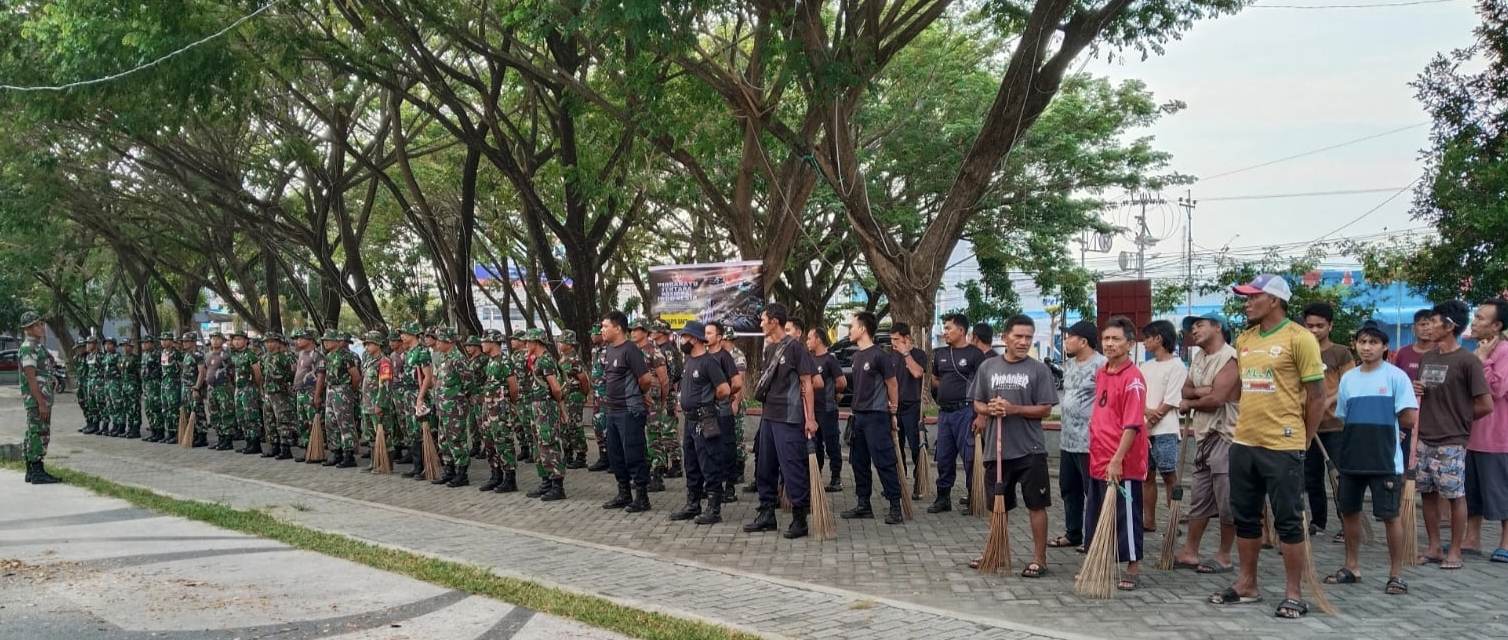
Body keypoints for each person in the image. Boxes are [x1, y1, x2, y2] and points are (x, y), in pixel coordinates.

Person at [1210, 274, 1325, 619]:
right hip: (1244, 441)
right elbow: (1243, 389)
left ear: (1274, 300)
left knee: (1288, 520)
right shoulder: (1245, 340)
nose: (1246, 303)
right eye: (1245, 298)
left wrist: (1303, 440)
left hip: (1282, 444)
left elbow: (1317, 396)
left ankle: (1294, 593)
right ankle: (1247, 584)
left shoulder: (1299, 338)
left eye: (1252, 297)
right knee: (1244, 516)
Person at [1322, 320, 1417, 594]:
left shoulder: (1396, 377)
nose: (1367, 347)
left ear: (1385, 347)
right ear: (1355, 345)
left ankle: (1396, 574)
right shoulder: (1348, 379)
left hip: (1385, 460)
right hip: (1351, 458)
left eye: (1373, 342)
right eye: (1362, 342)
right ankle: (1351, 566)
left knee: (1390, 516)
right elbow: (1342, 416)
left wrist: (1392, 430)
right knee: (1349, 512)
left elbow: (1409, 417)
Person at [970, 314, 1058, 577]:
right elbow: (977, 402)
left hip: (1030, 449)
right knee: (998, 507)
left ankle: (1039, 559)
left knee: (1036, 504)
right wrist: (990, 408)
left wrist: (1014, 409)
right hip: (996, 452)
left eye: (1028, 337)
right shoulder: (988, 368)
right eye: (1018, 336)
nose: (1023, 342)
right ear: (1004, 337)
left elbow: (1045, 410)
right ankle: (995, 551)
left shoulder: (1038, 370)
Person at [1414, 300, 1492, 569]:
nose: (1429, 327)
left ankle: (1455, 550)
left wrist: (1460, 419)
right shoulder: (1428, 357)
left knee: (1455, 495)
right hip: (1424, 436)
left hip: (1452, 440)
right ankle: (1434, 546)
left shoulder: (1467, 361)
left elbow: (1485, 404)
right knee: (1427, 493)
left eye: (1434, 322)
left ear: (1450, 326)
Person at [1086, 316, 1150, 590]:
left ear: (1130, 344)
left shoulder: (1133, 379)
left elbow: (1133, 424)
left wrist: (1117, 459)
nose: (1109, 344)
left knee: (1126, 515)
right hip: (1098, 456)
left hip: (1122, 461)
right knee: (1100, 513)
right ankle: (1100, 562)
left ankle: (1133, 567)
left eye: (1116, 339)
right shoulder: (1102, 371)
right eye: (1106, 339)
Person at [745, 303, 819, 539]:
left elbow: (807, 383)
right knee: (764, 467)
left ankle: (799, 518)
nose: (761, 323)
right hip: (768, 415)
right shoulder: (769, 349)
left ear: (774, 321)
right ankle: (767, 513)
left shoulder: (796, 348)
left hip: (789, 417)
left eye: (763, 319)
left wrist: (811, 418)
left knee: (792, 467)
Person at [1174, 312, 1240, 574]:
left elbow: (1218, 398)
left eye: (1200, 325)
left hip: (1226, 436)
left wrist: (1192, 401)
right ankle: (1190, 551)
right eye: (1193, 327)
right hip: (1203, 436)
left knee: (1227, 500)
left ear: (1218, 327)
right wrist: (1204, 391)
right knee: (1199, 498)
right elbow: (1186, 389)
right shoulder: (1199, 358)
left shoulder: (1231, 357)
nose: (1194, 330)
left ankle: (1224, 555)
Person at [841, 311, 906, 526]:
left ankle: (895, 505)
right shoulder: (857, 356)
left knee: (884, 462)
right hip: (858, 416)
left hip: (877, 416)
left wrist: (893, 411)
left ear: (863, 329)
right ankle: (863, 504)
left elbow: (892, 383)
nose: (850, 330)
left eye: (852, 326)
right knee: (858, 462)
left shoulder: (880, 355)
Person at [1301, 302, 1356, 540]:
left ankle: (1347, 523)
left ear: (1330, 326)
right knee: (1311, 477)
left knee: (1339, 476)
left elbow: (1349, 385)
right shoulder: (1301, 350)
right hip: (1307, 426)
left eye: (1320, 326)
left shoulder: (1341, 353)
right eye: (1310, 325)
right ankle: (1318, 521)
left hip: (1335, 425)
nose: (1314, 330)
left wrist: (1325, 401)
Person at [669, 321, 732, 524]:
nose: (683, 340)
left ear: (695, 339)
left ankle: (714, 508)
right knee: (691, 462)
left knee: (709, 462)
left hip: (705, 419)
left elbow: (724, 389)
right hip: (689, 420)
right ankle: (692, 503)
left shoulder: (708, 362)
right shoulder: (688, 361)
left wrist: (707, 400)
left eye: (686, 337)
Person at [1052, 320, 1104, 547]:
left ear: (1083, 341)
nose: (1065, 341)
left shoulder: (1101, 365)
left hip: (1089, 441)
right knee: (1068, 488)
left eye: (1069, 337)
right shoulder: (1070, 364)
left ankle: (1097, 537)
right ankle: (1073, 533)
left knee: (1092, 492)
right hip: (1068, 439)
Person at [1464, 299, 1508, 561]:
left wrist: (1482, 361)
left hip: (1497, 436)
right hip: (1472, 434)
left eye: (1481, 318)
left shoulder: (1504, 351)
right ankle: (1472, 538)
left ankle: (1505, 541)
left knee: (1501, 490)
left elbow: (1496, 390)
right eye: (1476, 316)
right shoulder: (1477, 350)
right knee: (1472, 492)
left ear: (1497, 325)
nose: (1475, 321)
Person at [929, 313, 986, 514]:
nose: (945, 332)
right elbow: (935, 379)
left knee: (970, 457)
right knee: (943, 456)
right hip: (945, 414)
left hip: (966, 412)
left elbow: (984, 386)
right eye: (944, 329)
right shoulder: (940, 354)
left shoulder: (975, 355)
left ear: (961, 331)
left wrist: (981, 415)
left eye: (948, 328)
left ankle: (974, 496)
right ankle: (943, 497)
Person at [600, 311, 655, 512]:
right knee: (615, 455)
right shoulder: (609, 350)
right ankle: (624, 493)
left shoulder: (630, 349)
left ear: (618, 328)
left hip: (629, 411)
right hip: (612, 411)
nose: (602, 330)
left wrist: (636, 395)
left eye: (605, 326)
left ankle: (642, 497)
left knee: (634, 453)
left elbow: (646, 379)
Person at [1140, 319, 1188, 533]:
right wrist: (1145, 416)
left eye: (1147, 338)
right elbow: (1138, 395)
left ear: (1158, 339)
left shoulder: (1177, 366)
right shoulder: (1145, 366)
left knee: (1169, 475)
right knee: (1147, 476)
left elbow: (1170, 401)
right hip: (1145, 428)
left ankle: (1174, 520)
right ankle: (1148, 520)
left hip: (1165, 430)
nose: (1144, 343)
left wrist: (1150, 418)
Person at [522, 329, 569, 501]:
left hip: (546, 406)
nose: (526, 345)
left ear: (536, 342)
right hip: (538, 406)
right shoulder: (538, 360)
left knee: (549, 442)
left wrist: (559, 406)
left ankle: (557, 485)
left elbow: (555, 388)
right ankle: (546, 482)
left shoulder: (546, 360)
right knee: (539, 444)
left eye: (528, 342)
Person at [18, 312, 60, 484]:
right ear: (28, 328)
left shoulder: (37, 346)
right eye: (37, 325)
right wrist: (41, 403)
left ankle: (31, 470)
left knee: (32, 432)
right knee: (39, 432)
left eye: (41, 324)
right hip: (37, 399)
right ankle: (37, 471)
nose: (42, 327)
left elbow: (42, 371)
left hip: (40, 397)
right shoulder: (29, 347)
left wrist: (52, 379)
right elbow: (31, 377)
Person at [632, 319, 674, 492]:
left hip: (653, 399)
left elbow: (664, 379)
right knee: (642, 437)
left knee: (654, 436)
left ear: (645, 332)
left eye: (637, 329)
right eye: (631, 329)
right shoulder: (633, 350)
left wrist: (663, 400)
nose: (633, 332)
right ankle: (646, 473)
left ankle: (658, 475)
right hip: (637, 398)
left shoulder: (653, 351)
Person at [706, 321, 746, 501]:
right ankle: (714, 486)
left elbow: (737, 382)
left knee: (727, 447)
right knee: (710, 448)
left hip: (723, 410)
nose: (705, 336)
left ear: (720, 337)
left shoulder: (727, 357)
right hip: (707, 411)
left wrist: (730, 398)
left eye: (709, 333)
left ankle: (729, 487)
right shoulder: (704, 356)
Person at [427, 328, 470, 486]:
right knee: (444, 440)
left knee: (457, 439)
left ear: (449, 342)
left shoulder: (458, 359)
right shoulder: (443, 358)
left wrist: (459, 399)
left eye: (440, 340)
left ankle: (461, 473)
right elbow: (437, 380)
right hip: (443, 407)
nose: (436, 343)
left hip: (454, 407)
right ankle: (449, 470)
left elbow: (468, 383)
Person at [479, 330, 520, 493]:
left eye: (484, 341)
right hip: (489, 408)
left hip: (500, 409)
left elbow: (514, 387)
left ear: (493, 342)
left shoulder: (504, 361)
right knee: (489, 442)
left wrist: (509, 404)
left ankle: (510, 479)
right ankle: (496, 475)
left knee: (504, 442)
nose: (482, 344)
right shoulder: (490, 361)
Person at [317, 329, 363, 470]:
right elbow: (323, 376)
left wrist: (350, 390)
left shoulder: (346, 356)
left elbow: (356, 377)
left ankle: (348, 455)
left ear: (336, 341)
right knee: (331, 422)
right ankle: (336, 452)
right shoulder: (328, 356)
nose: (325, 343)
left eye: (327, 340)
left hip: (342, 389)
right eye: (324, 340)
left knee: (345, 423)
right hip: (330, 390)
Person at [808, 326, 846, 491]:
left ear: (818, 339)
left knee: (832, 444)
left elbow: (842, 382)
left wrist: (834, 394)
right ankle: (816, 476)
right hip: (813, 410)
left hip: (828, 409)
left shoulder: (830, 359)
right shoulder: (809, 359)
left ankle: (836, 478)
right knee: (815, 445)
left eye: (810, 338)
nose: (807, 341)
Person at [891, 323, 928, 490]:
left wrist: (906, 353)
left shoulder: (919, 354)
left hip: (913, 407)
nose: (894, 343)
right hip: (895, 407)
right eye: (892, 339)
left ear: (906, 338)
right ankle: (899, 482)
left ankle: (919, 483)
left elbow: (917, 373)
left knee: (916, 446)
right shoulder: (891, 356)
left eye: (896, 339)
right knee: (896, 447)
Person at [359, 331, 395, 469]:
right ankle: (375, 462)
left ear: (378, 344)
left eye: (369, 343)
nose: (366, 346)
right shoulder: (369, 361)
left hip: (378, 405)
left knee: (384, 434)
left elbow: (386, 385)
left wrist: (380, 404)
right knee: (370, 434)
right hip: (367, 404)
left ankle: (387, 463)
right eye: (366, 344)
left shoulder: (384, 362)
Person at [558, 330, 592, 470]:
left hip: (574, 396)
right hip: (565, 397)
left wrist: (583, 395)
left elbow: (584, 380)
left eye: (562, 342)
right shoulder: (562, 359)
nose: (559, 344)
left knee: (575, 426)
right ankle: (567, 453)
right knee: (565, 426)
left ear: (570, 344)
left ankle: (581, 456)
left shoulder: (574, 360)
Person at [227, 331, 264, 455]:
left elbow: (257, 372)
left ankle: (255, 443)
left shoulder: (250, 355)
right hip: (239, 388)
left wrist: (256, 386)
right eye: (235, 339)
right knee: (241, 416)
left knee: (251, 416)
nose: (236, 341)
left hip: (249, 388)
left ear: (246, 341)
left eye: (239, 339)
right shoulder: (235, 355)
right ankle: (248, 441)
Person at [262, 333, 298, 460]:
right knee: (269, 420)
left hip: (281, 393)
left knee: (283, 420)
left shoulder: (285, 357)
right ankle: (274, 446)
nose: (268, 344)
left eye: (271, 342)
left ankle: (285, 447)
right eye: (266, 342)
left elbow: (293, 373)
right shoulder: (265, 357)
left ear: (278, 343)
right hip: (268, 393)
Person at [292, 330, 322, 461]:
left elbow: (321, 376)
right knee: (302, 422)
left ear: (310, 339)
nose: (297, 341)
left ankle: (315, 450)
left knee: (312, 422)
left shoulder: (317, 355)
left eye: (300, 338)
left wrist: (317, 395)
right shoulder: (300, 354)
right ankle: (306, 450)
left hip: (310, 392)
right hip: (300, 392)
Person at [204, 332, 235, 450]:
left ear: (223, 341)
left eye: (218, 339)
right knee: (214, 414)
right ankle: (220, 438)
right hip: (211, 389)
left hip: (223, 387)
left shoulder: (226, 355)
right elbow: (206, 370)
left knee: (226, 413)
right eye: (213, 339)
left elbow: (232, 371)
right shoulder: (208, 355)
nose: (215, 341)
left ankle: (228, 440)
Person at [588, 327, 612, 472]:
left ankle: (613, 459)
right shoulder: (595, 351)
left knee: (608, 427)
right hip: (597, 394)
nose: (591, 336)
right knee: (598, 425)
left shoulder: (610, 350)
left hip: (607, 394)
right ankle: (603, 457)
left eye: (594, 333)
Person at [180, 332, 209, 449]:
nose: (184, 343)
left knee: (198, 411)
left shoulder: (197, 355)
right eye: (183, 341)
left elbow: (202, 372)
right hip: (186, 387)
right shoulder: (187, 355)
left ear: (192, 342)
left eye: (186, 341)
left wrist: (197, 387)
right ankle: (194, 435)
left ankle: (202, 436)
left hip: (194, 387)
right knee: (188, 410)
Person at [1392, 308, 1438, 381]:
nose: (1426, 328)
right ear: (1413, 328)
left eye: (1429, 324)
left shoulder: (1442, 352)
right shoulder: (1402, 353)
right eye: (1422, 324)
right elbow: (1394, 380)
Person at [157, 332, 181, 444]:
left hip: (173, 384)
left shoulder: (176, 353)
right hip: (165, 383)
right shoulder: (163, 352)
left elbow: (182, 368)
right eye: (162, 340)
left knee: (174, 409)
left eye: (166, 339)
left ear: (171, 341)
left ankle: (176, 433)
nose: (163, 342)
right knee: (165, 409)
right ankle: (169, 433)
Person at [118, 337, 142, 439]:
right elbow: (120, 371)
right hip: (125, 386)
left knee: (134, 408)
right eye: (123, 346)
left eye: (126, 345)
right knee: (127, 408)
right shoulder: (121, 358)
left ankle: (136, 429)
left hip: (133, 386)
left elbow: (139, 374)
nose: (124, 348)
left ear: (131, 347)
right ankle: (130, 427)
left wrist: (139, 387)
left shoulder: (135, 359)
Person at [139, 335, 160, 443]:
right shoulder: (144, 355)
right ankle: (153, 430)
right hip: (146, 385)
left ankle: (159, 431)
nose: (144, 344)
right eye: (143, 342)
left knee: (155, 408)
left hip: (154, 385)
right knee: (148, 409)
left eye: (147, 342)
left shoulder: (157, 354)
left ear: (152, 343)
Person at [98, 336, 120, 436]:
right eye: (106, 344)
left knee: (117, 405)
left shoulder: (117, 356)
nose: (107, 346)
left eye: (110, 344)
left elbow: (121, 370)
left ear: (114, 346)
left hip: (115, 383)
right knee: (109, 405)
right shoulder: (105, 356)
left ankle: (119, 425)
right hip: (107, 383)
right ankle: (112, 425)